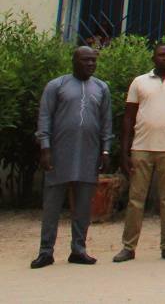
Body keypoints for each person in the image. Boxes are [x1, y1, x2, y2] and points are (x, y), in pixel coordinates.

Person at [31, 46, 112, 269]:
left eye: (93, 61)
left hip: (89, 153)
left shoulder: (101, 88)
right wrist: (45, 148)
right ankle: (46, 252)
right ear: (74, 61)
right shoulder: (57, 86)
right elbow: (45, 118)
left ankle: (79, 249)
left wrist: (106, 150)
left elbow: (106, 123)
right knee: (52, 206)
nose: (90, 64)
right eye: (86, 60)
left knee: (84, 206)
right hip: (59, 154)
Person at [113, 43, 165, 263]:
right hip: (141, 148)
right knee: (135, 200)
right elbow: (128, 117)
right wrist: (125, 151)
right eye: (162, 55)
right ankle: (128, 247)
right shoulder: (139, 82)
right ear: (153, 58)